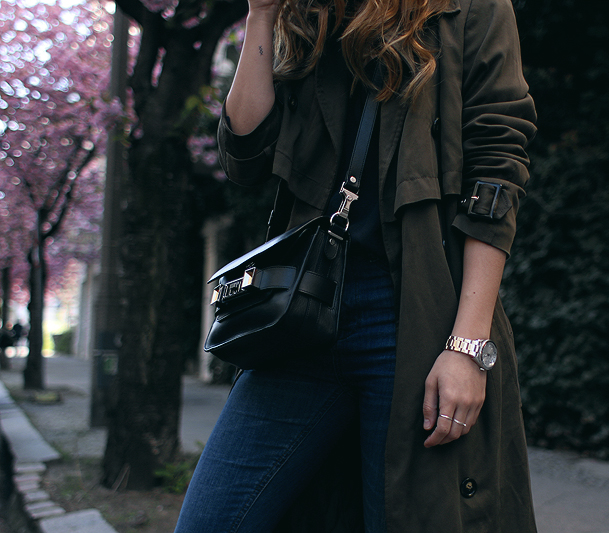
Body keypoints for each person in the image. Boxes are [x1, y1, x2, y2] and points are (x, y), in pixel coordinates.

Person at [174, 0, 537, 529]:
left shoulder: (466, 8)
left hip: (410, 313)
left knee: (403, 516)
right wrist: (261, 15)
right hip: (303, 312)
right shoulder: (309, 14)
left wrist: (468, 347)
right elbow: (245, 155)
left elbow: (496, 172)